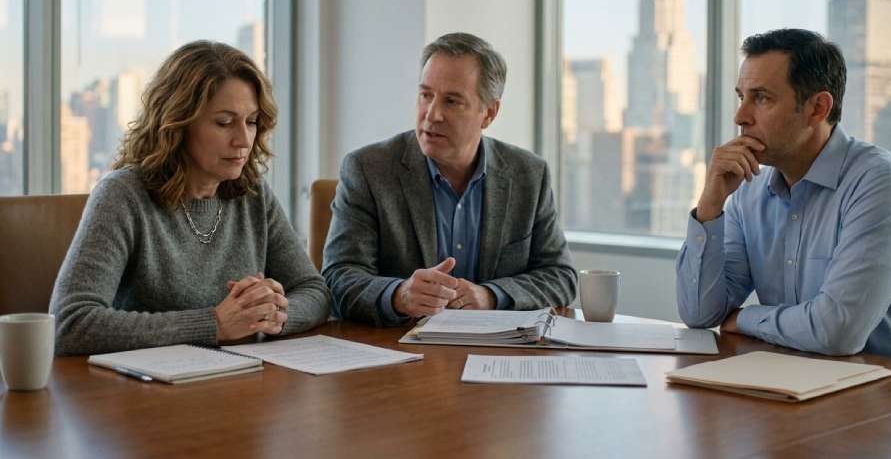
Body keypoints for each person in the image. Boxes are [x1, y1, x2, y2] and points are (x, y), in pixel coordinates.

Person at [51, 41, 331, 355]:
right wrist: (214, 324)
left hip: (240, 383)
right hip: (140, 394)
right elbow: (69, 324)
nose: (243, 139)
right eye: (224, 123)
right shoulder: (122, 195)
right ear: (177, 124)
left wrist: (276, 313)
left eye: (251, 122)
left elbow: (315, 291)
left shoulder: (253, 192)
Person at [676, 28, 891, 360]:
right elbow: (699, 314)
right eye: (741, 96)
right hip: (787, 386)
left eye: (761, 98)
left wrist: (744, 318)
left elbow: (837, 332)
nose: (740, 117)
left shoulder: (883, 185)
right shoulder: (749, 191)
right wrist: (710, 204)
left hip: (883, 398)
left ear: (817, 108)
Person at [322, 32, 576, 325]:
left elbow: (561, 277)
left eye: (452, 101)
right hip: (401, 353)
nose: (432, 114)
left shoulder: (528, 175)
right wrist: (398, 295)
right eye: (426, 95)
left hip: (496, 354)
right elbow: (338, 278)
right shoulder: (368, 169)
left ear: (489, 113)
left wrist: (490, 296)